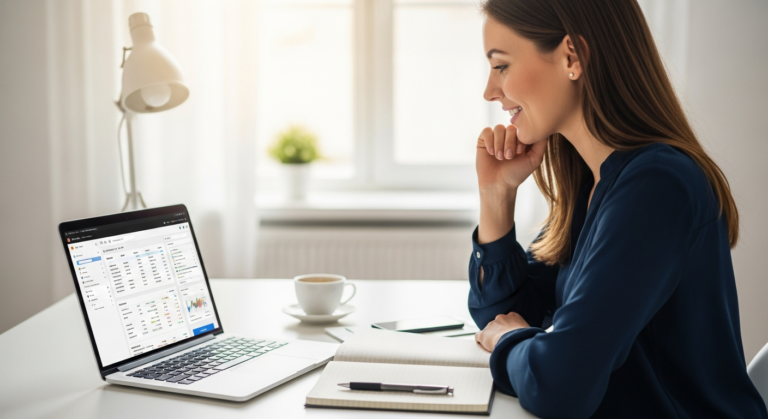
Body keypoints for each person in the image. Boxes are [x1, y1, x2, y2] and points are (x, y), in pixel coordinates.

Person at [468, 0, 768, 417]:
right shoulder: (592, 184)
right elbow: (505, 316)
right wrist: (496, 195)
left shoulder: (656, 187)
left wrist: (508, 342)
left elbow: (559, 384)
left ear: (572, 57)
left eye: (501, 65)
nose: (489, 90)